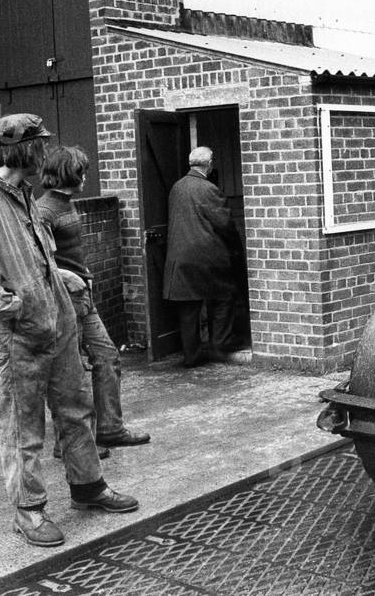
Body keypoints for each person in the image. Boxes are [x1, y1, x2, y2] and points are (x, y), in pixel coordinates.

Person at [0, 114, 138, 547]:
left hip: (58, 322)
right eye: (40, 145)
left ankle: (89, 488)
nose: (46, 153)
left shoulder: (24, 195)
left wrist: (59, 280)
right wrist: (15, 307)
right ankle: (29, 512)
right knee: (21, 426)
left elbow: (34, 255)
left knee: (76, 407)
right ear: (22, 150)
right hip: (17, 334)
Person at [37, 145, 151, 452]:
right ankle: (69, 443)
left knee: (108, 357)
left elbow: (67, 250)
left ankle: (110, 428)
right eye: (81, 171)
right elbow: (36, 262)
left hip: (83, 296)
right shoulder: (44, 210)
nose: (86, 176)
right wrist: (66, 275)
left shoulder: (65, 204)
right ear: (68, 172)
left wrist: (81, 272)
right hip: (64, 300)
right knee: (68, 374)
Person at [163, 146, 244, 367]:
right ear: (208, 165)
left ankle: (192, 355)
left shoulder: (176, 187)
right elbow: (224, 223)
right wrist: (237, 248)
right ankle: (220, 344)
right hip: (207, 257)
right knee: (224, 295)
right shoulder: (208, 189)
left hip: (180, 257)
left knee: (189, 308)